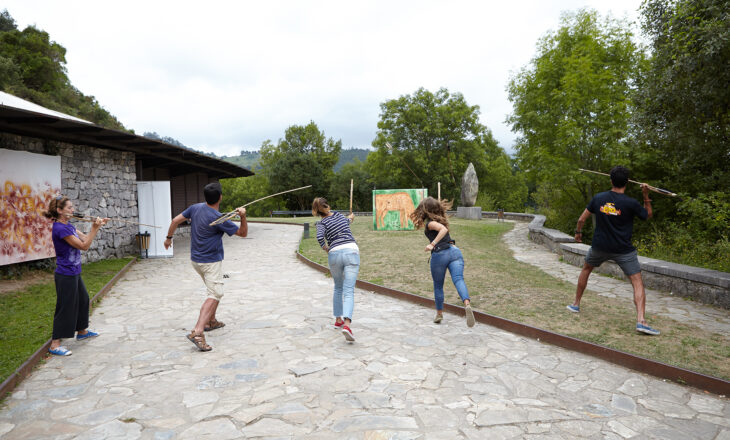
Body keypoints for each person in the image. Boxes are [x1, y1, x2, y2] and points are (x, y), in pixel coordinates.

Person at [567, 165, 659, 335]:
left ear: (611, 180)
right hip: (623, 249)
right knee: (637, 282)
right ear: (627, 183)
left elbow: (581, 219)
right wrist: (646, 196)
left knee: (586, 269)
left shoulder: (598, 198)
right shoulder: (631, 203)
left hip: (599, 246)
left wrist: (578, 233)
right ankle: (641, 321)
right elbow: (648, 215)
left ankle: (575, 304)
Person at [164, 182, 247, 351]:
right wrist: (243, 216)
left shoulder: (195, 208)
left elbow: (175, 220)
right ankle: (198, 331)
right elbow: (243, 234)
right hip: (210, 263)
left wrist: (168, 238)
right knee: (215, 293)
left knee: (214, 289)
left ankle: (211, 321)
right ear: (220, 197)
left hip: (196, 261)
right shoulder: (219, 218)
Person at [43, 196, 109, 356]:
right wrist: (94, 228)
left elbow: (85, 238)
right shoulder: (60, 229)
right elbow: (84, 246)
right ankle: (55, 344)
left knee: (83, 299)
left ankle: (82, 331)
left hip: (74, 272)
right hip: (65, 274)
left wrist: (97, 227)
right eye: (69, 208)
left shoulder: (69, 226)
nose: (73, 210)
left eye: (72, 207)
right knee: (65, 307)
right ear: (59, 211)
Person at [409, 197, 475, 327]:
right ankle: (467, 304)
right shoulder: (441, 221)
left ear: (425, 210)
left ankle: (439, 314)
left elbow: (443, 231)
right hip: (454, 252)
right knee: (458, 279)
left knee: (438, 286)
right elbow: (444, 230)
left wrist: (432, 244)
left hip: (440, 255)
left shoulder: (430, 223)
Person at [312, 198, 359, 342]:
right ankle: (347, 325)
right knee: (349, 290)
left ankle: (338, 319)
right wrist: (350, 219)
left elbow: (320, 237)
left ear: (316, 211)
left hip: (334, 254)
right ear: (327, 205)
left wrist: (326, 248)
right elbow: (345, 223)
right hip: (351, 251)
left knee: (338, 287)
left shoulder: (321, 223)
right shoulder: (338, 215)